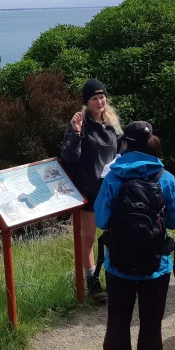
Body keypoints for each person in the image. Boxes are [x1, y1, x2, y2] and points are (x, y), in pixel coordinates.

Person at [93, 121, 175, 350]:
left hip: (118, 264)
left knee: (118, 320)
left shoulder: (113, 177)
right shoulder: (164, 177)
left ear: (125, 144)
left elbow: (101, 219)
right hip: (156, 265)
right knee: (151, 323)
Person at [61, 78, 122, 302]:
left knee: (115, 235)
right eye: (94, 98)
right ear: (86, 102)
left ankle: (116, 276)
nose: (99, 102)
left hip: (111, 190)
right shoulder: (80, 123)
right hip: (88, 190)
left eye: (101, 97)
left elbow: (120, 152)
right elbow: (68, 158)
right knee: (88, 239)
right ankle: (92, 282)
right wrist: (77, 133)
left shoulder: (112, 123)